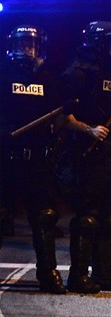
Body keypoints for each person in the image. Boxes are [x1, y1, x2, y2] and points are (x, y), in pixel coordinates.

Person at [56, 21, 111, 294]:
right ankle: (78, 275)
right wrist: (88, 129)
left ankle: (103, 274)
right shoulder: (78, 73)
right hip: (85, 152)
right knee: (87, 217)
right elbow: (61, 116)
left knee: (109, 216)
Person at [0, 25, 66, 293]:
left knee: (44, 217)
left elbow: (61, 115)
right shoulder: (3, 75)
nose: (27, 50)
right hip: (6, 158)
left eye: (32, 45)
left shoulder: (49, 79)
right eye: (22, 45)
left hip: (38, 161)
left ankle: (48, 273)